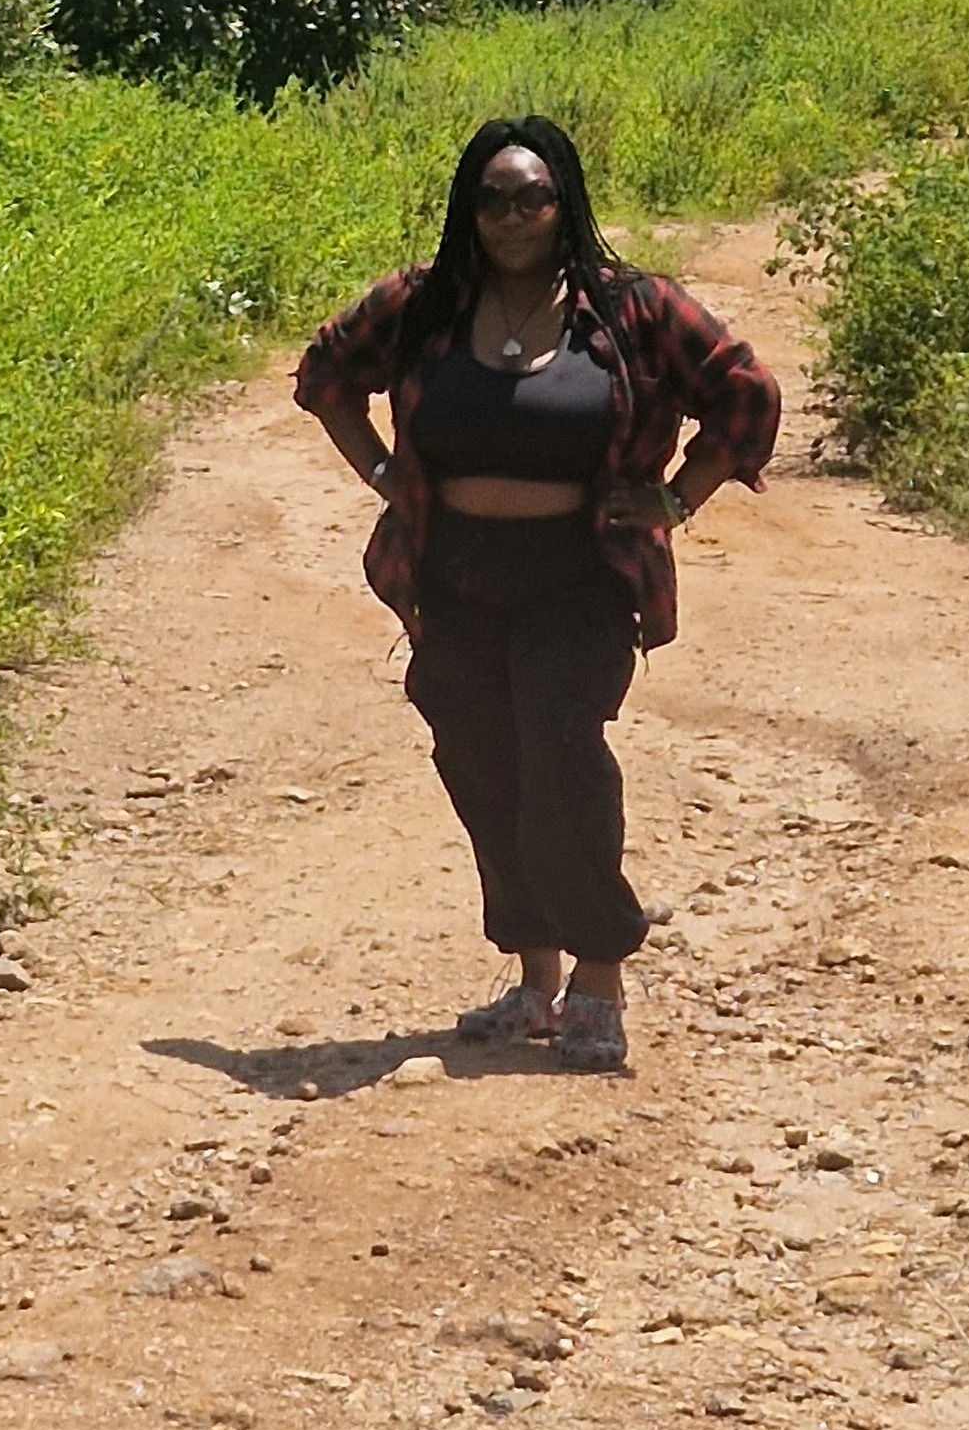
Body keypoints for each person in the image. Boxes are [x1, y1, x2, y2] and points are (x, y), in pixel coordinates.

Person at [295, 115, 781, 1072]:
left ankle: (599, 977)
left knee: (560, 750)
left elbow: (744, 391)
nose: (511, 215)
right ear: (467, 210)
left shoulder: (632, 308)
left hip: (582, 576)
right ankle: (534, 977)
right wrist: (387, 477)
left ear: (565, 203)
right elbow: (327, 376)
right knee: (482, 762)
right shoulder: (423, 305)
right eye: (491, 199)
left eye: (531, 197)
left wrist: (678, 498)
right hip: (454, 576)